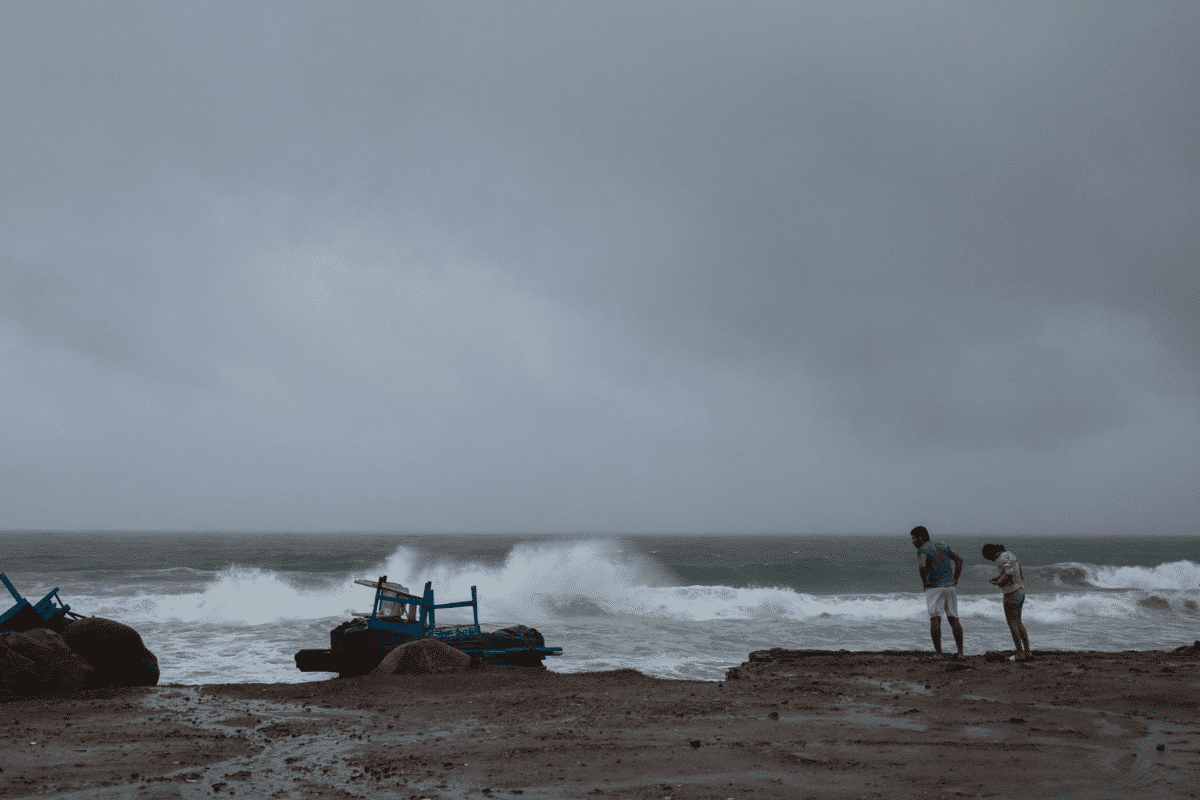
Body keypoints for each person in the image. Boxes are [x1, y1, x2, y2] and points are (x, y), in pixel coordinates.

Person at [910, 526, 964, 658]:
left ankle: (939, 653)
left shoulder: (923, 549)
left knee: (935, 618)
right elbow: (959, 559)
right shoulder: (942, 545)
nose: (912, 542)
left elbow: (922, 565)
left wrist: (925, 581)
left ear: (920, 538)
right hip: (950, 587)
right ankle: (961, 652)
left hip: (935, 588)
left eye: (913, 538)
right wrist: (955, 578)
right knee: (954, 619)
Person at [982, 543, 1031, 661]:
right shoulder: (1010, 555)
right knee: (1019, 623)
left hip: (1011, 593)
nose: (993, 561)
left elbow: (1008, 573)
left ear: (992, 554)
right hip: (1020, 590)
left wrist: (999, 583)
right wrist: (999, 577)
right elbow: (1015, 572)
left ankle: (1019, 653)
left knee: (1012, 624)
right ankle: (1027, 652)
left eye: (990, 558)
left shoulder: (1002, 557)